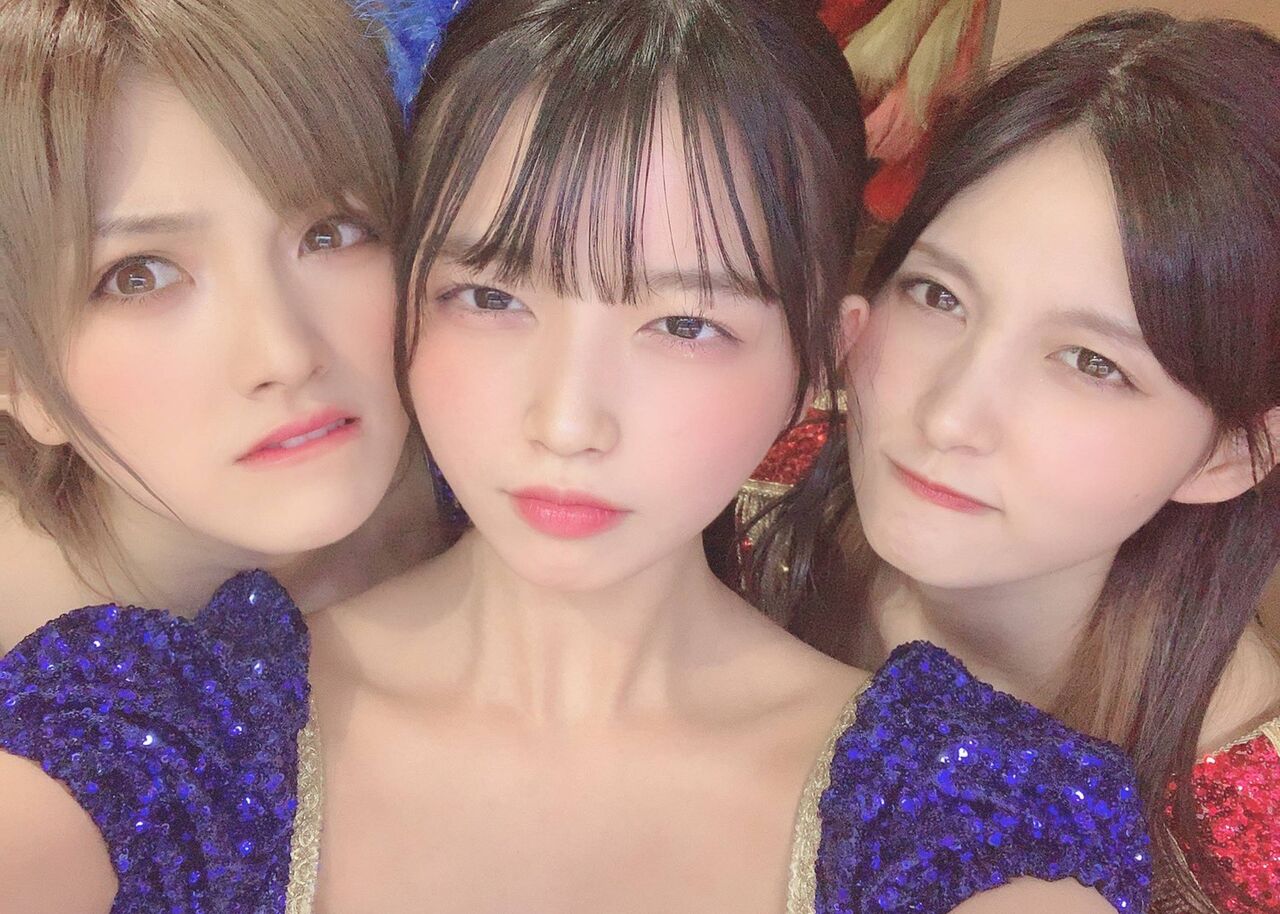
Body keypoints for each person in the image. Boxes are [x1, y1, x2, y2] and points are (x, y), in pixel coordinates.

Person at [300, 1, 1148, 912]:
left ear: (820, 360)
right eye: (491, 298)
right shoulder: (217, 722)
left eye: (684, 325)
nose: (568, 422)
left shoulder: (966, 824)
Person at [753, 11, 1280, 912]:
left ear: (1231, 454)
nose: (950, 416)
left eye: (1092, 363)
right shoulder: (735, 504)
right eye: (937, 295)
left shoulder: (1247, 839)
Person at [0, 0, 450, 908]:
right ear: (18, 379)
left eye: (330, 232)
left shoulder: (511, 484)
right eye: (138, 275)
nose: (283, 352)